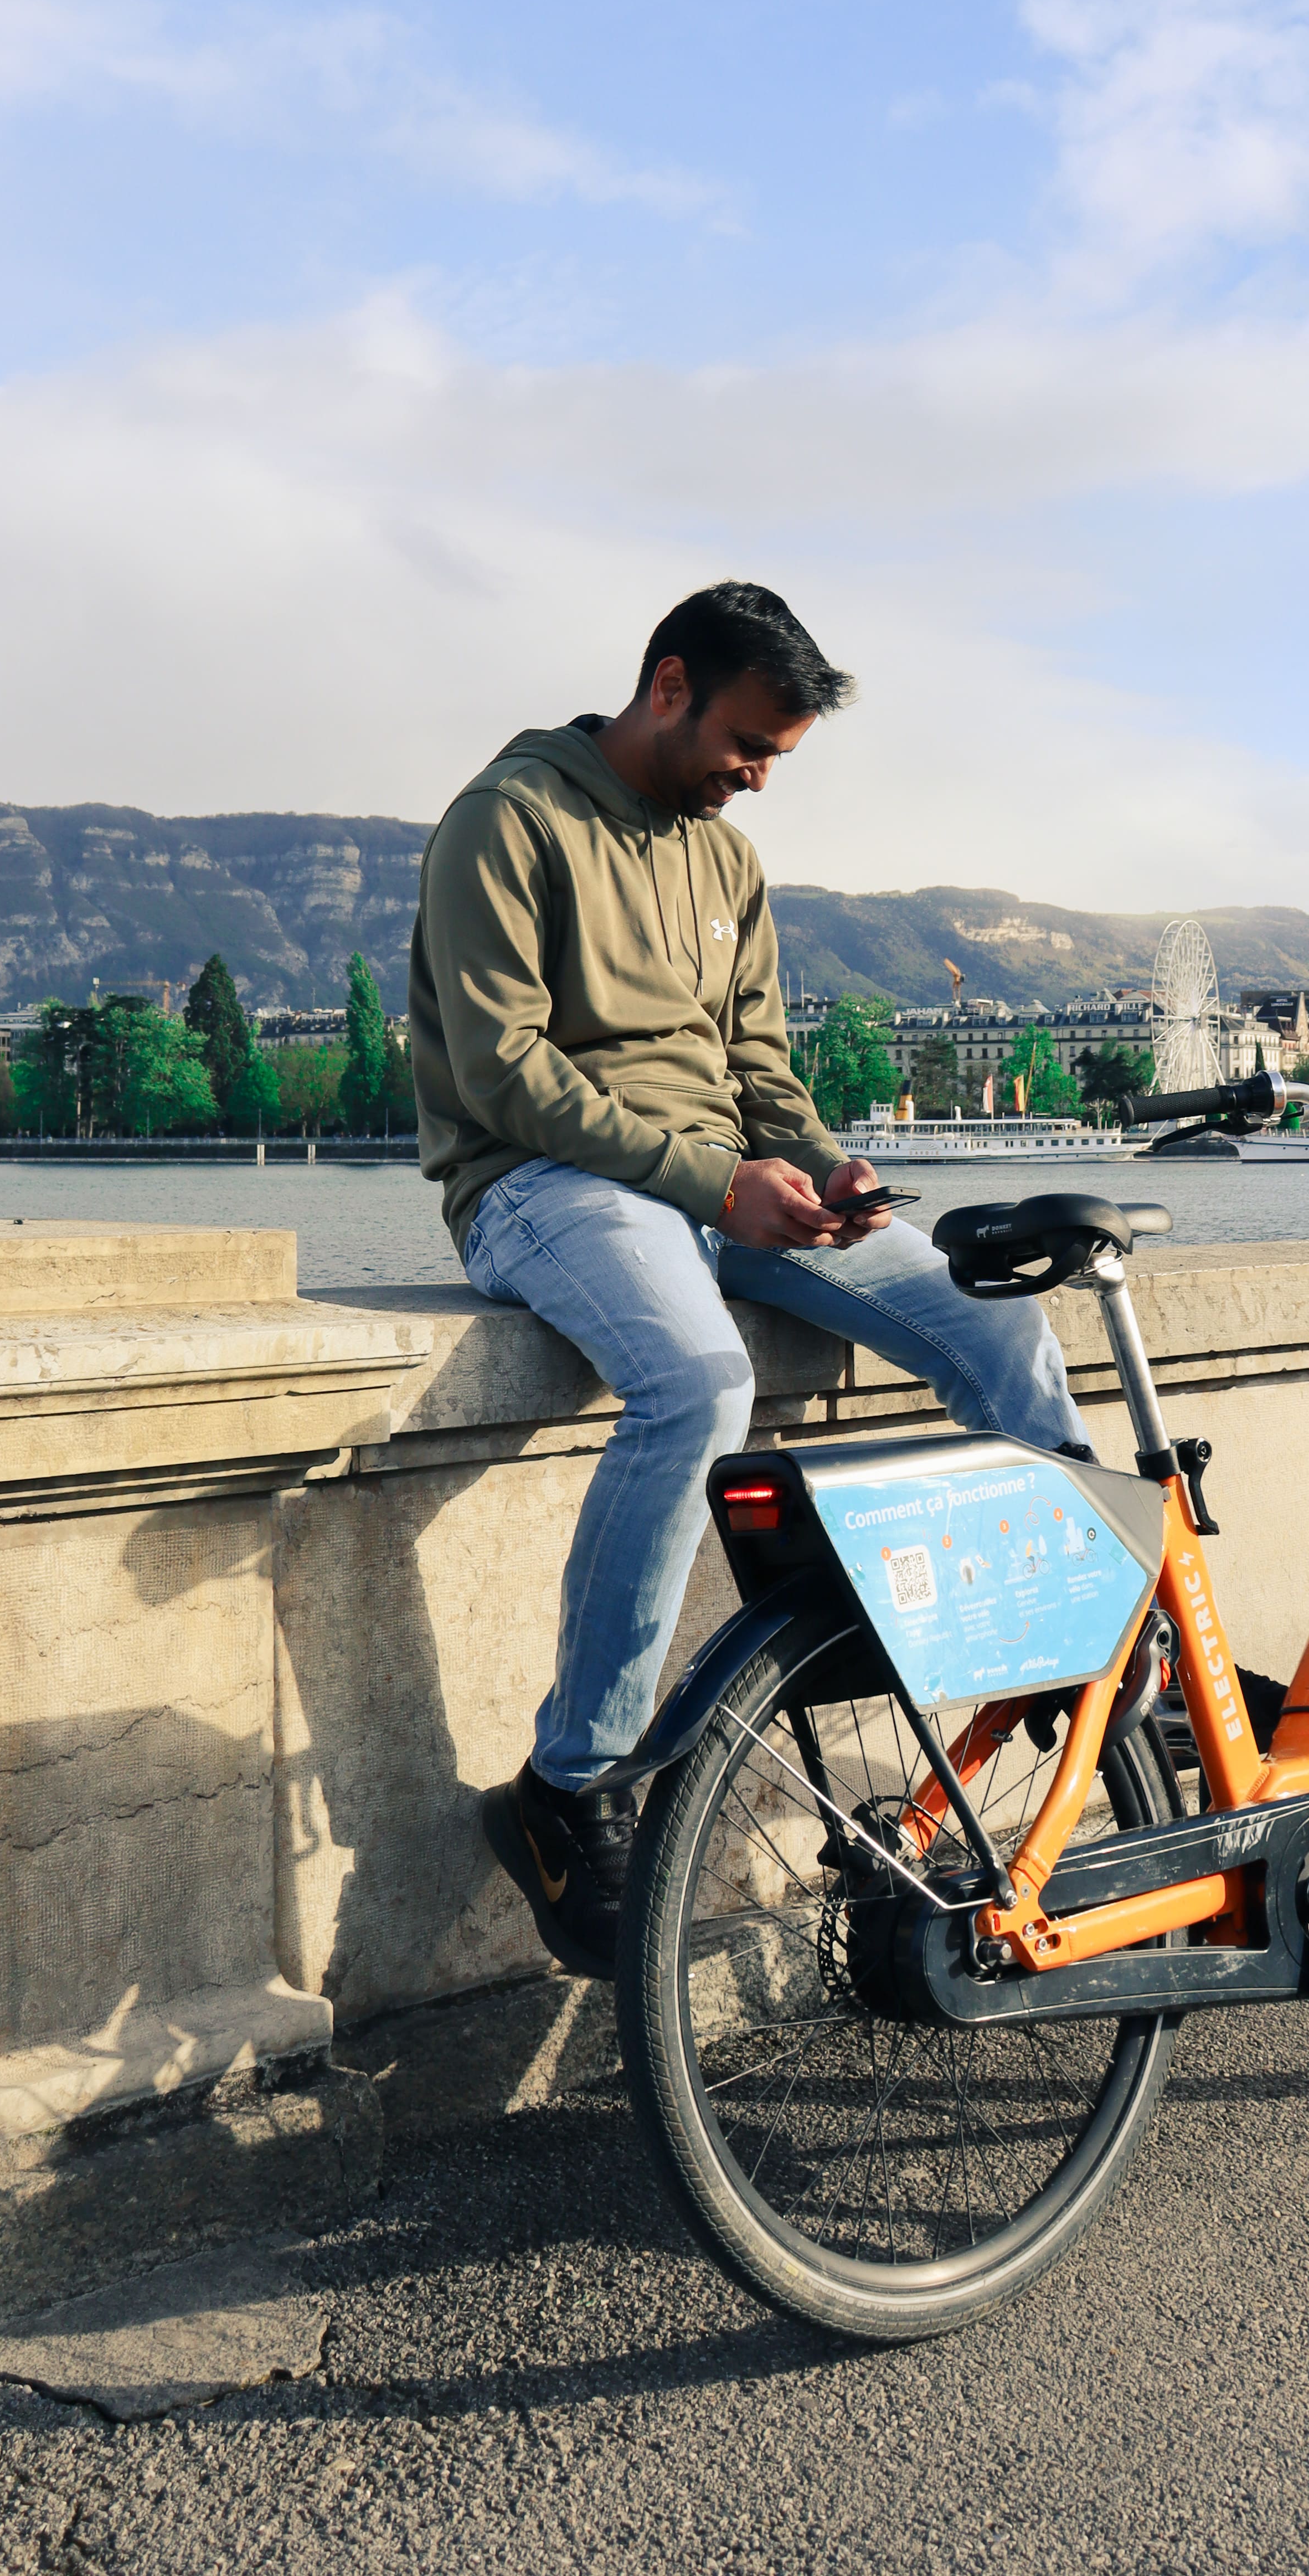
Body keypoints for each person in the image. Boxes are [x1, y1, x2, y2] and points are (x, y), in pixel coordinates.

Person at [407, 579, 1092, 1977]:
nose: (759, 777)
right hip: (540, 1183)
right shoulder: (509, 820)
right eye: (747, 744)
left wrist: (827, 1172)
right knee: (697, 1382)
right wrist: (716, 1184)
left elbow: (758, 1071)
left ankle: (1061, 1658)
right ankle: (569, 1787)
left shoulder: (726, 864)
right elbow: (503, 1072)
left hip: (722, 1187)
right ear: (668, 685)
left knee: (1000, 1328)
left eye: (779, 756)